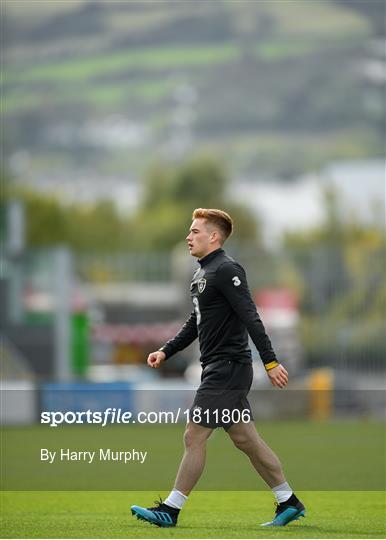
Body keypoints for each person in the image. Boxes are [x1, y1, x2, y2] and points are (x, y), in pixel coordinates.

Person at [131, 208, 305, 528]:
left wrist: (270, 361)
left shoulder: (227, 269)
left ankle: (170, 510)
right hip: (220, 368)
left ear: (213, 236)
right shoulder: (202, 273)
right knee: (246, 440)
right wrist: (166, 351)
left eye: (195, 231)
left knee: (193, 436)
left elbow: (251, 316)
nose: (188, 236)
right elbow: (196, 323)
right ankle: (288, 501)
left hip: (228, 369)